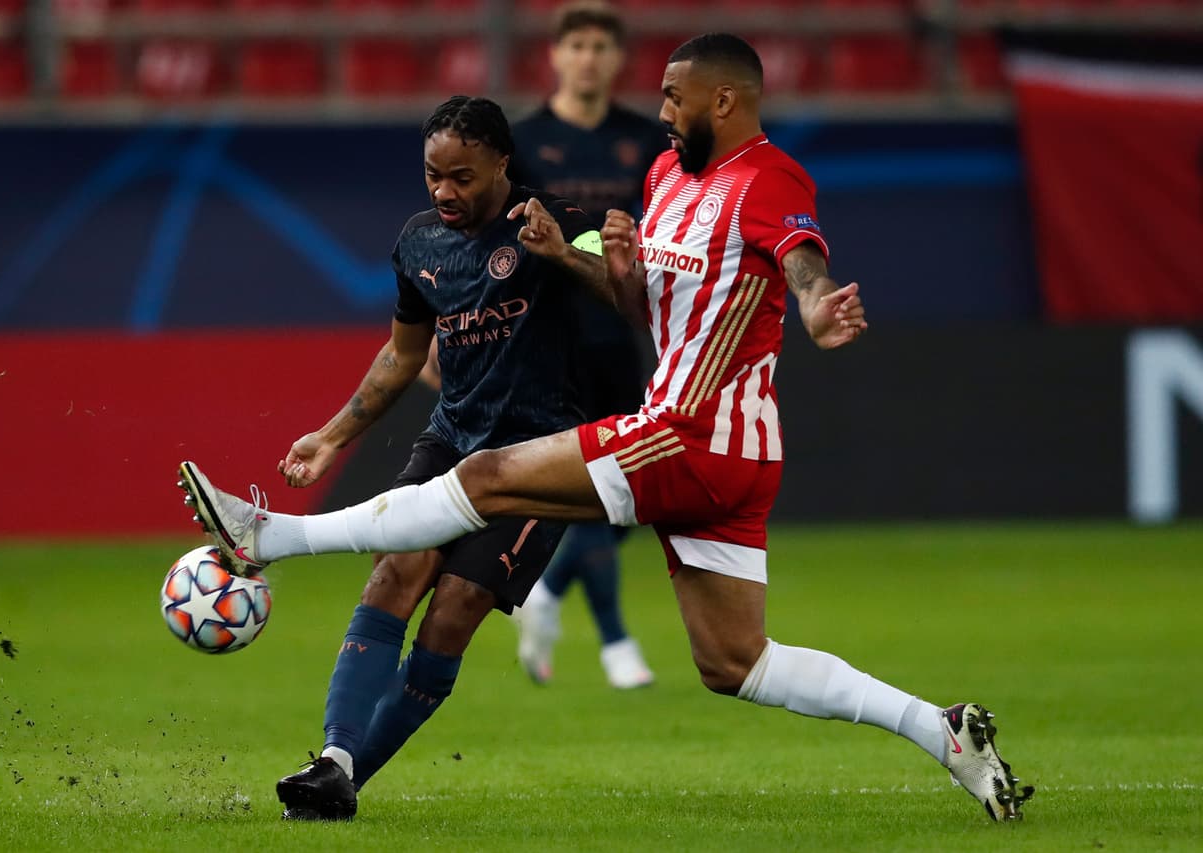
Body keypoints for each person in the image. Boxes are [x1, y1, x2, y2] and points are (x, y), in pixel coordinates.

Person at [179, 35, 1033, 822]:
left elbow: (801, 259)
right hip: (723, 457)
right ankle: (942, 730)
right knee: (735, 663)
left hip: (691, 431)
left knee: (483, 480)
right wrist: (609, 266)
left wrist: (815, 304)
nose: (659, 111)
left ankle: (271, 535)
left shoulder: (770, 178)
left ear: (725, 100)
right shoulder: (665, 178)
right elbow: (642, 310)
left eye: (673, 95)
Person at [179, 95, 611, 821]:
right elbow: (404, 352)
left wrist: (566, 255)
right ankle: (334, 760)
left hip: (543, 456)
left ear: (503, 164)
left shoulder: (560, 222)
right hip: (453, 438)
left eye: (463, 176)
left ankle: (348, 776)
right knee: (395, 570)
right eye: (433, 175)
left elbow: (631, 296)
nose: (445, 191)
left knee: (454, 611)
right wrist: (331, 435)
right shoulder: (418, 243)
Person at [508, 0, 667, 689]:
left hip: (619, 331)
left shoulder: (646, 140)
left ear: (616, 59)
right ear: (556, 55)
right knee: (599, 487)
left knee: (627, 494)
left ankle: (544, 593)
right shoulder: (523, 140)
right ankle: (616, 642)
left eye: (603, 46)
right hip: (548, 337)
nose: (590, 57)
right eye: (578, 45)